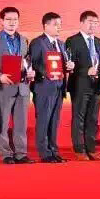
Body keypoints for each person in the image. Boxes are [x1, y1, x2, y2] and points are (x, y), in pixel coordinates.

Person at [0, 6, 33, 164]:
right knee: (3, 123)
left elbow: (27, 60)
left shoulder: (24, 40)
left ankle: (21, 153)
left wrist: (30, 71)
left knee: (21, 123)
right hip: (4, 87)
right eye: (8, 19)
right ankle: (6, 154)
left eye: (15, 19)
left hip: (22, 87)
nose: (12, 22)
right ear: (1, 21)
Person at [28, 12, 74, 163]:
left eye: (60, 24)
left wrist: (69, 66)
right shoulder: (37, 42)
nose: (59, 27)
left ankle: (54, 150)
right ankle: (44, 153)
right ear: (45, 25)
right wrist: (48, 72)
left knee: (54, 121)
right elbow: (34, 64)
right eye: (55, 24)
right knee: (44, 120)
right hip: (44, 87)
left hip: (59, 87)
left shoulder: (61, 44)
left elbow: (62, 64)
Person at [64, 10, 100, 161]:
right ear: (82, 23)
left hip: (96, 85)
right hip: (80, 85)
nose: (93, 25)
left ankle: (91, 149)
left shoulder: (99, 42)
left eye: (95, 22)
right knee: (79, 118)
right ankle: (79, 149)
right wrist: (86, 71)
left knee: (93, 118)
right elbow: (69, 64)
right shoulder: (72, 41)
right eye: (90, 22)